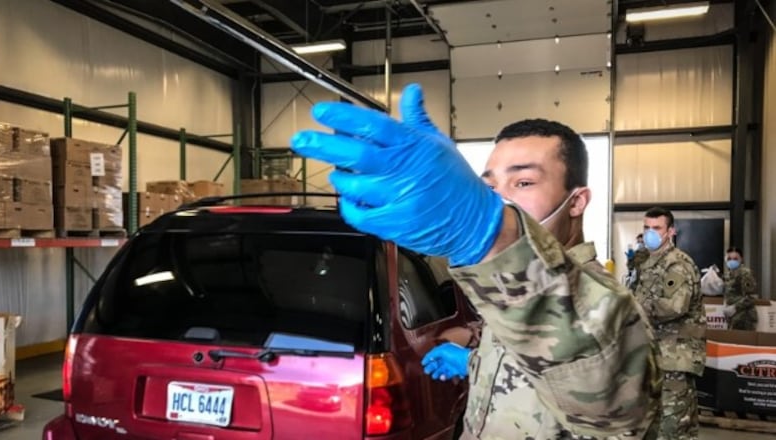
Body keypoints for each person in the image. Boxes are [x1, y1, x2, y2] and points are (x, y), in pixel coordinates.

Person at [290, 84, 661, 439]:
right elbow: (530, 357)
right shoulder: (507, 298)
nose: (501, 198)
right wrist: (473, 352)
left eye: (524, 183)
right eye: (489, 186)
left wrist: (489, 233)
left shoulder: (608, 308)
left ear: (577, 201)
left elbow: (600, 396)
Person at [633, 207, 705, 440]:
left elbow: (676, 306)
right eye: (646, 227)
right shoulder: (647, 263)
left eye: (656, 228)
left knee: (672, 429)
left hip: (674, 358)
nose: (649, 233)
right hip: (654, 357)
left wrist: (634, 308)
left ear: (670, 232)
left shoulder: (677, 264)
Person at [722, 246, 758, 331]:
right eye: (729, 258)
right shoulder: (728, 274)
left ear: (741, 259)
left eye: (735, 258)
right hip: (732, 317)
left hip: (744, 317)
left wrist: (735, 307)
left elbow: (751, 297)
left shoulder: (745, 273)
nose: (732, 261)